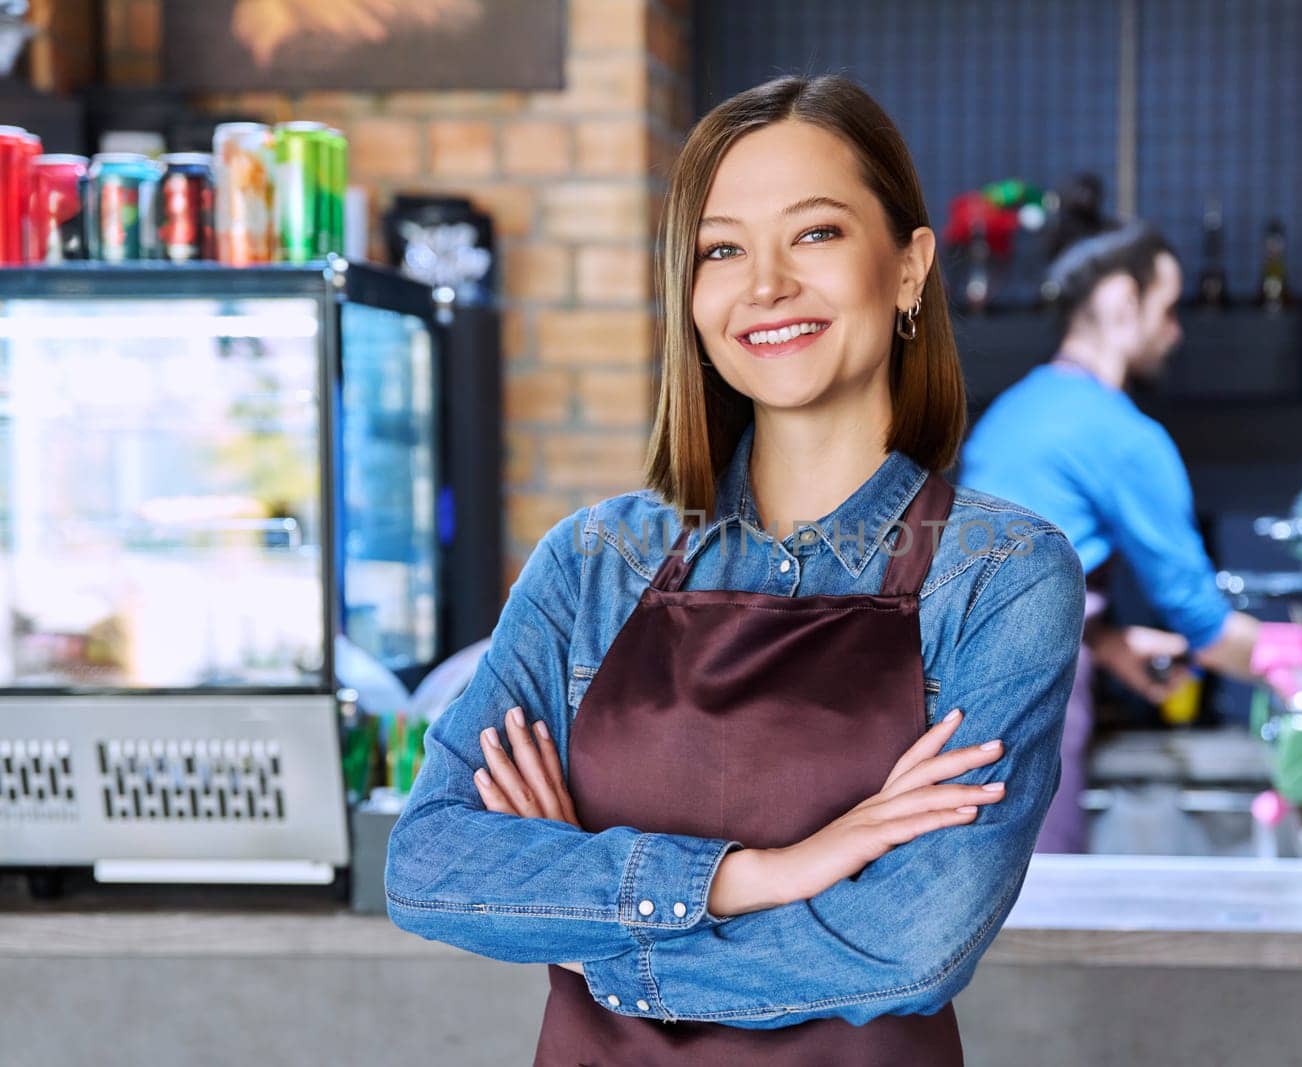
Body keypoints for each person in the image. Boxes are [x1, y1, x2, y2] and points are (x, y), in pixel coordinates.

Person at [385, 75, 1085, 1065]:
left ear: (909, 267)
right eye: (722, 248)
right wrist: (758, 874)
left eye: (816, 234)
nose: (765, 284)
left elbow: (912, 942)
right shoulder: (596, 561)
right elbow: (427, 863)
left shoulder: (1002, 575)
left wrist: (600, 939)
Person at [958, 188, 1268, 855]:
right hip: (1022, 713)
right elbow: (1205, 629)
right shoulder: (1124, 436)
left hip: (943, 708)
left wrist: (1109, 642)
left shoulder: (1012, 412)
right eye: (1168, 308)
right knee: (1044, 918)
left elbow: (994, 585)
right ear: (1124, 302)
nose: (1176, 331)